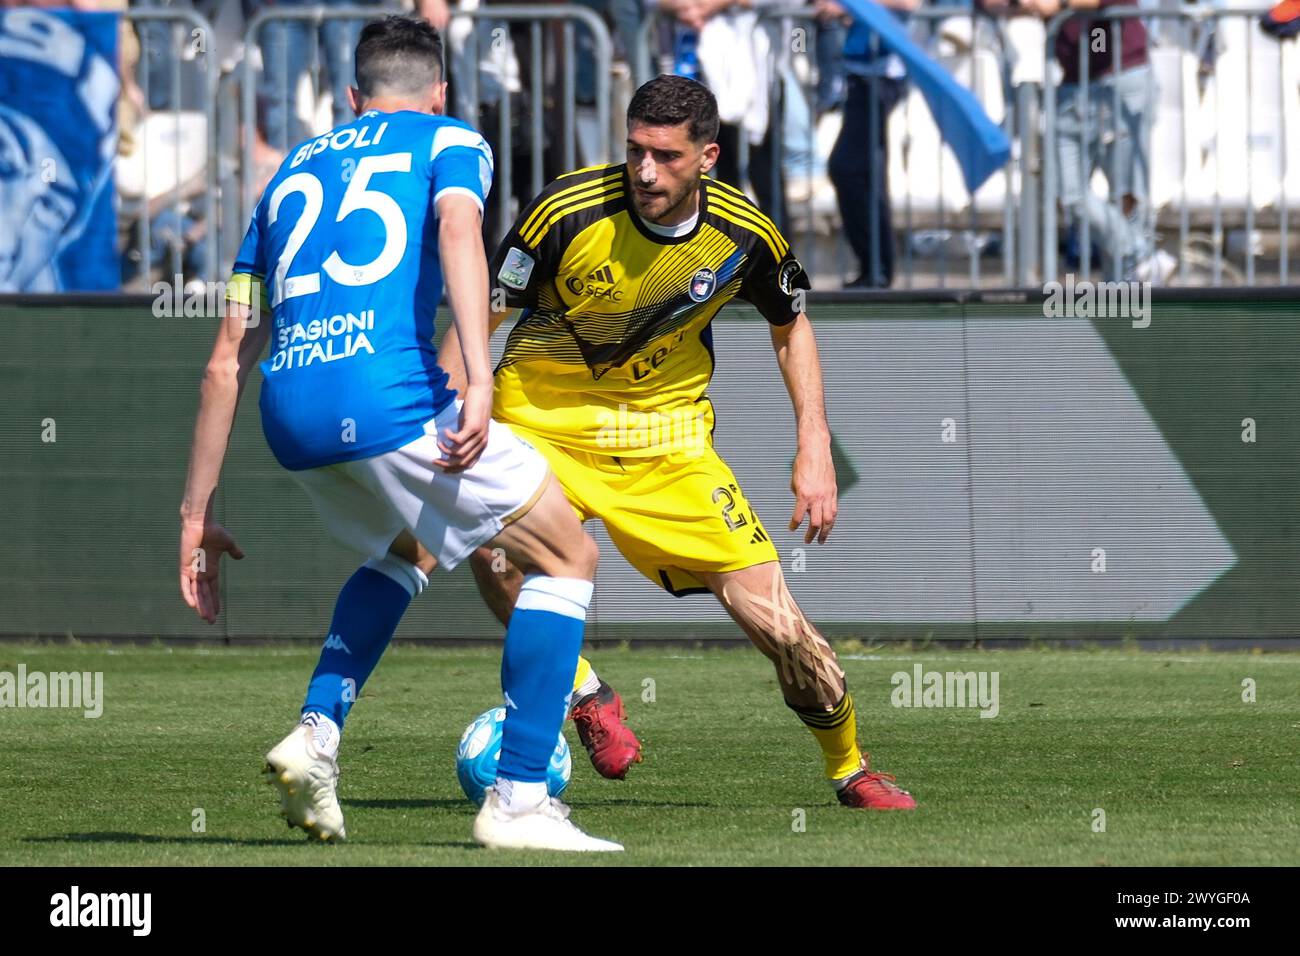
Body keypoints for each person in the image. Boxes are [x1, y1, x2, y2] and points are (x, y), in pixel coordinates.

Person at [178, 15, 621, 852]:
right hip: (386, 396)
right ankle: (521, 798)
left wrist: (193, 517)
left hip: (289, 412)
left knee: (402, 550)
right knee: (568, 554)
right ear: (441, 91)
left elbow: (222, 363)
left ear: (353, 99)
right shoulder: (454, 139)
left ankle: (317, 735)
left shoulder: (282, 181)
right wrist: (481, 380)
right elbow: (460, 230)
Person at [442, 74, 918, 811]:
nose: (644, 171)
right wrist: (449, 412)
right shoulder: (565, 211)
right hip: (542, 421)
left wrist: (814, 445)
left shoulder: (746, 234)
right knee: (493, 548)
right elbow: (482, 316)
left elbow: (791, 328)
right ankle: (586, 691)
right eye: (634, 151)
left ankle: (850, 767)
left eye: (664, 156)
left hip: (668, 442)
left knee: (779, 626)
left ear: (708, 156)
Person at [820, 0, 917, 289]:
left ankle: (877, 267)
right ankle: (874, 266)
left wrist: (853, 7)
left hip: (880, 78)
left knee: (851, 170)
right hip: (861, 76)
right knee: (860, 172)